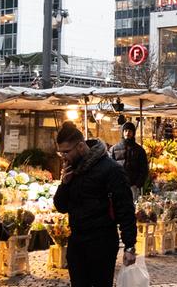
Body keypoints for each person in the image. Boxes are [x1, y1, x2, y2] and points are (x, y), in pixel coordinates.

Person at [53, 122, 137, 287]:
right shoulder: (71, 170)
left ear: (80, 146)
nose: (63, 156)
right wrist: (64, 184)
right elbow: (61, 206)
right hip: (77, 242)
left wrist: (129, 245)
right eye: (60, 152)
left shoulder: (110, 169)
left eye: (66, 152)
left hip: (102, 243)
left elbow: (125, 208)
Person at [110, 122, 150, 200]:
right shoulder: (114, 149)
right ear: (122, 132)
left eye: (130, 131)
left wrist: (138, 184)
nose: (128, 133)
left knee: (132, 207)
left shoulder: (139, 150)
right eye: (126, 130)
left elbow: (144, 169)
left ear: (133, 133)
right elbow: (110, 168)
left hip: (133, 186)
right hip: (118, 185)